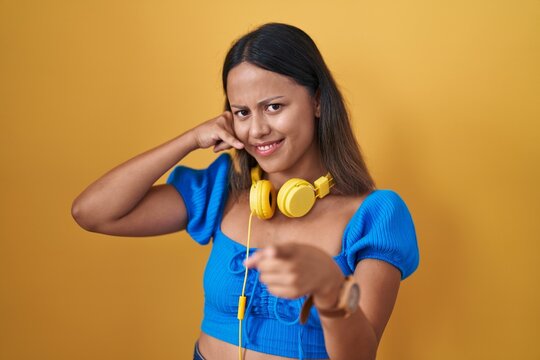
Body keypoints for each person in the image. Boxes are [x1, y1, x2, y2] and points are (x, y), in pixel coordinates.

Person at [72, 22, 419, 360]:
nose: (257, 130)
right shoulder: (224, 189)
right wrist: (190, 139)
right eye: (241, 112)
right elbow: (92, 213)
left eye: (274, 107)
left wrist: (331, 289)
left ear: (316, 101)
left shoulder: (376, 215)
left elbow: (361, 354)